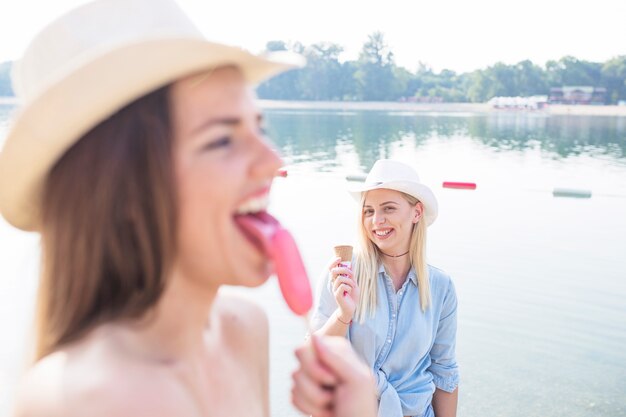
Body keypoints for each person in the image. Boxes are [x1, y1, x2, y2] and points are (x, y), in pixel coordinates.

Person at [0, 0, 377, 416]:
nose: (273, 161)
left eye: (259, 128)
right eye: (221, 140)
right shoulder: (80, 398)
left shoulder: (244, 331)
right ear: (125, 191)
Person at [311, 159, 460, 417]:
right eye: (368, 211)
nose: (376, 221)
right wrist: (343, 316)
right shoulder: (343, 272)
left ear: (416, 213)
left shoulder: (441, 287)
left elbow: (444, 372)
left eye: (388, 208)